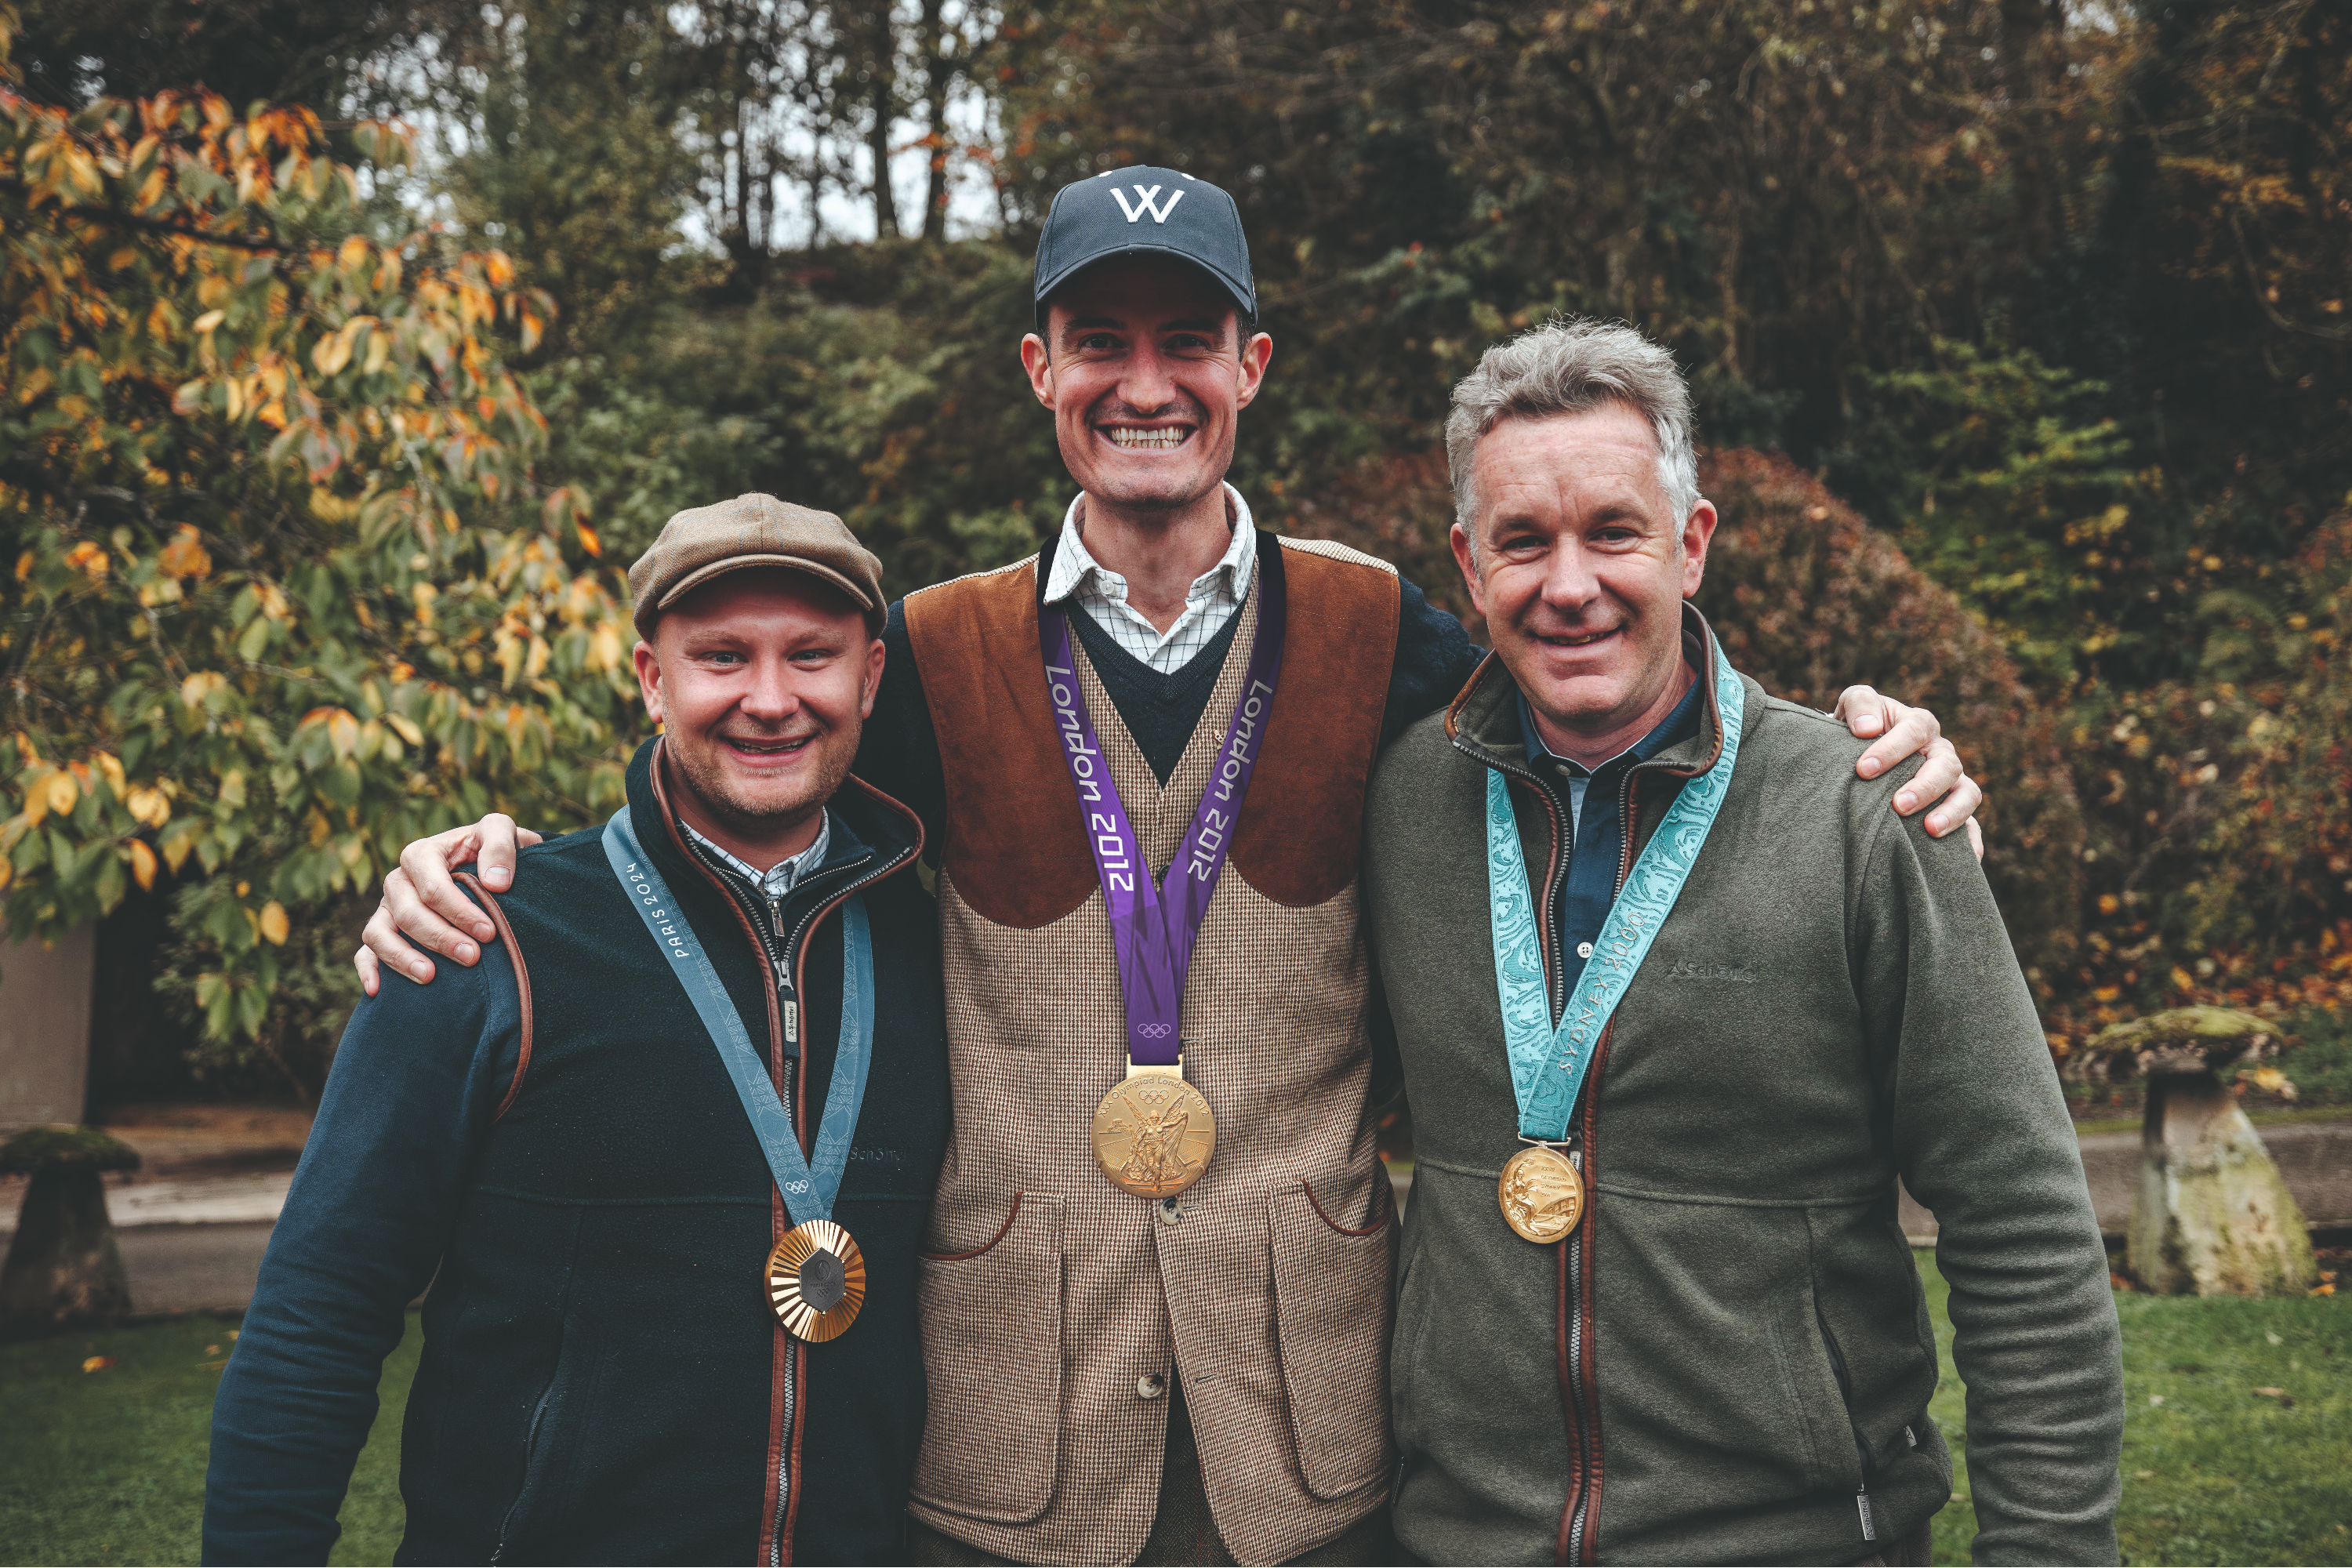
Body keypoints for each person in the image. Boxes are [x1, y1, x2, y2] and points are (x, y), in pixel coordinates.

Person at [354, 169, 1988, 1566]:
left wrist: (1861, 748)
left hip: (1314, 1455)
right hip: (1014, 1455)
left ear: (1250, 365)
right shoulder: (934, 652)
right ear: (1041, 369)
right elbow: (739, 803)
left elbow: (1603, 710)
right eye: (1102, 341)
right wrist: (499, 863)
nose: (1147, 383)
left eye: (1188, 340)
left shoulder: (1376, 633)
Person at [1363, 320, 2123, 1567]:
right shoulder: (1396, 804)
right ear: (1468, 563)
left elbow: (2022, 1222)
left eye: (1614, 531)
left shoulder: (1865, 814)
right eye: (1523, 540)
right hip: (1462, 1539)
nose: (1569, 585)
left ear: (1692, 543)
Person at [204, 499, 949, 1565]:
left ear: (869, 678)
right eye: (722, 656)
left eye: (811, 656)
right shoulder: (483, 939)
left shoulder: (940, 951)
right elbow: (320, 1311)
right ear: (653, 679)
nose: (770, 699)